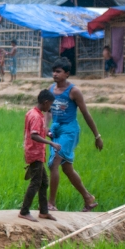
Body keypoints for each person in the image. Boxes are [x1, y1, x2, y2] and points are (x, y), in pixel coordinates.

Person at [47, 57, 102, 212]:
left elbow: (85, 113)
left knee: (54, 163)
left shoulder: (73, 91)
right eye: (54, 71)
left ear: (67, 74)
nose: (55, 74)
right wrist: (46, 127)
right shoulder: (51, 90)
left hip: (69, 131)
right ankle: (88, 198)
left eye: (58, 71)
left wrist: (97, 136)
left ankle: (51, 203)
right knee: (67, 169)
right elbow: (48, 111)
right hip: (56, 131)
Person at [20, 90, 61, 223]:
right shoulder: (37, 116)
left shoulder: (32, 112)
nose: (50, 108)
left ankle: (44, 211)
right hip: (35, 152)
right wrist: (51, 143)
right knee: (36, 182)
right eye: (50, 105)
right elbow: (33, 135)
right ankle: (24, 211)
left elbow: (36, 130)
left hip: (34, 151)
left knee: (44, 182)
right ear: (45, 102)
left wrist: (46, 132)